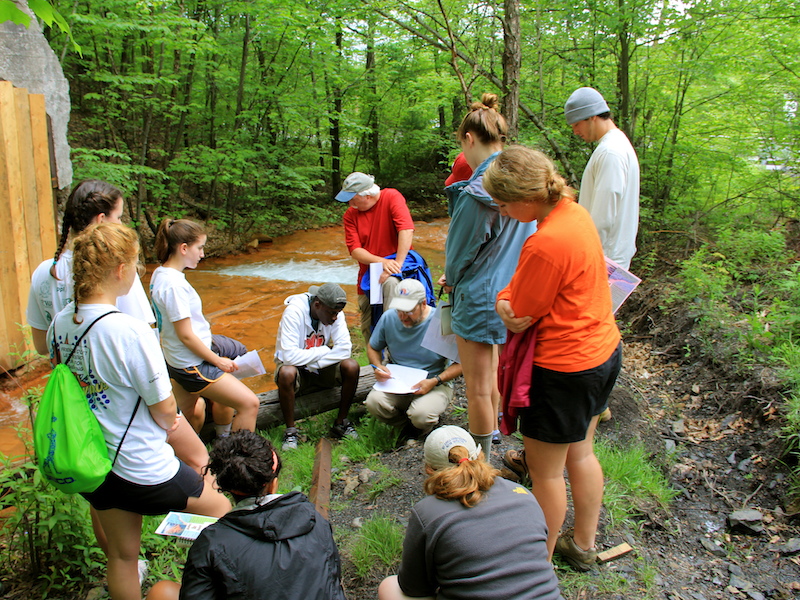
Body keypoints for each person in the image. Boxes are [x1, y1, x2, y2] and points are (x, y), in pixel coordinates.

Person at [48, 223, 230, 600]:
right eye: (134, 265)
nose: (138, 273)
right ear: (119, 270)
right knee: (222, 510)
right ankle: (211, 584)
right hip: (142, 465)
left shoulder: (59, 324)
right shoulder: (128, 330)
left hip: (94, 463)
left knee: (121, 555)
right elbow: (164, 410)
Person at [483, 145, 622, 570]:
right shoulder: (573, 213)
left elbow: (521, 312)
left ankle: (534, 569)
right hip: (602, 353)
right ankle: (581, 545)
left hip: (562, 370)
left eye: (504, 204)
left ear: (526, 198)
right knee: (581, 452)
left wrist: (502, 299)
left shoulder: (545, 242)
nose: (503, 212)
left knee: (545, 474)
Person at [441, 93, 536, 457]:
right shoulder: (520, 181)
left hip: (479, 294)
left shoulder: (478, 191)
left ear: (469, 138)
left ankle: (481, 461)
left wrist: (450, 278)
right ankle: (495, 433)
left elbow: (459, 253)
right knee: (494, 372)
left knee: (477, 386)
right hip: (512, 291)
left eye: (461, 146)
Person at [145, 431, 347, 600]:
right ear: (273, 482)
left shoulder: (211, 542)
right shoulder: (314, 518)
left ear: (226, 489)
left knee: (162, 592)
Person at [378, 425, 563, 600]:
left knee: (389, 587)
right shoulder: (523, 495)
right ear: (480, 455)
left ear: (429, 470)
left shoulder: (427, 513)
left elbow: (414, 588)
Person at [150, 219, 260, 434]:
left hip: (177, 359)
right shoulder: (174, 285)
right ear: (183, 248)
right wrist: (217, 361)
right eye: (199, 247)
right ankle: (238, 459)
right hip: (192, 364)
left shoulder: (159, 274)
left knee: (183, 413)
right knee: (250, 403)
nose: (202, 254)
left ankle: (217, 441)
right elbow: (186, 336)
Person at [366, 279, 462, 441]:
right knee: (373, 403)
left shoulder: (441, 318)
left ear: (423, 304)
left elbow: (462, 362)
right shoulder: (389, 318)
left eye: (409, 311)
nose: (402, 316)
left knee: (421, 415)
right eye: (399, 310)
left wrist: (436, 380)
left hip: (434, 382)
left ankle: (417, 425)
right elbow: (373, 347)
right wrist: (378, 366)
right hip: (397, 381)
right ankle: (407, 427)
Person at [274, 283, 360, 450]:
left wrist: (315, 362)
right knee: (286, 372)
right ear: (317, 305)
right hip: (295, 369)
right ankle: (291, 431)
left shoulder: (334, 312)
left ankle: (341, 422)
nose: (335, 317)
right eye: (331, 313)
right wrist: (322, 351)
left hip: (319, 367)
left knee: (351, 366)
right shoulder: (294, 312)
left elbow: (344, 350)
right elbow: (289, 357)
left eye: (337, 313)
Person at [564, 86, 639, 270]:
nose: (575, 131)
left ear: (592, 117)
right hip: (609, 257)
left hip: (604, 261)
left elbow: (603, 217)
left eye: (576, 124)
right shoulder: (617, 144)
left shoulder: (610, 152)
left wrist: (584, 260)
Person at [336, 172, 415, 343]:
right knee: (369, 326)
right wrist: (385, 262)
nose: (350, 204)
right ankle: (377, 365)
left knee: (393, 315)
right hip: (368, 277)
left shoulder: (391, 197)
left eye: (352, 198)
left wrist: (397, 265)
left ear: (368, 195)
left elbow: (406, 229)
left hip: (398, 270)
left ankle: (394, 359)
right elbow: (355, 251)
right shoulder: (350, 214)